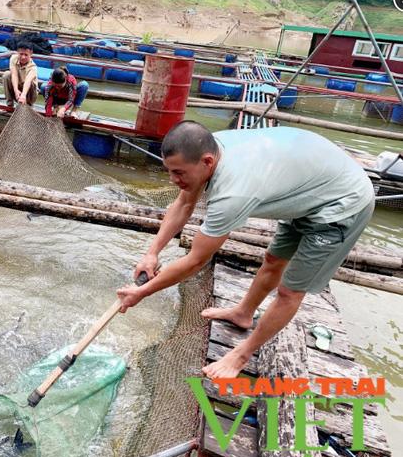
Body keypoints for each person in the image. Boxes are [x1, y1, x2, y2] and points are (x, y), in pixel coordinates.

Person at [116, 122, 375, 379]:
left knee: (290, 291)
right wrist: (152, 254)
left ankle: (241, 355)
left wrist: (143, 292)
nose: (173, 180)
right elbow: (184, 203)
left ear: (207, 162)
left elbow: (196, 260)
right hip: (312, 186)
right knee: (273, 259)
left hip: (342, 203)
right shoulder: (206, 145)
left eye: (179, 173)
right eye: (169, 171)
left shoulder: (232, 193)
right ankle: (243, 314)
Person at [2, 41, 38, 107]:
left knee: (31, 83)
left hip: (29, 94)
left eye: (26, 55)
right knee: (6, 74)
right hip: (18, 90)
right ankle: (9, 104)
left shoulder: (33, 67)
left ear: (31, 54)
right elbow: (14, 75)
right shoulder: (13, 58)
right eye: (21, 54)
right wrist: (16, 91)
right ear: (17, 52)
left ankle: (27, 105)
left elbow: (28, 81)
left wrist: (23, 95)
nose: (23, 57)